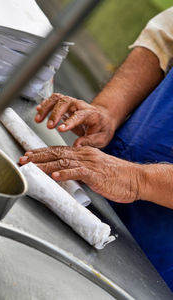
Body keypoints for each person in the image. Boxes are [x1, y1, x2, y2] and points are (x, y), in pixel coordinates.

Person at [20, 8, 173, 290]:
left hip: (157, 268)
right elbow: (165, 35)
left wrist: (139, 180)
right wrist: (108, 110)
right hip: (100, 187)